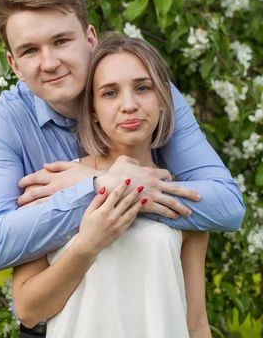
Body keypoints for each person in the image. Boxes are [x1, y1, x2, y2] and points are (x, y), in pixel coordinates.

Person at [0, 0, 245, 336]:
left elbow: (227, 205)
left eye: (61, 40)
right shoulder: (7, 123)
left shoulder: (148, 94)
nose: (50, 62)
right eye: (30, 50)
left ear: (89, 38)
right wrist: (102, 185)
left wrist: (116, 187)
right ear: (14, 65)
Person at [12, 34, 212, 338]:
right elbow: (28, 311)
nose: (129, 105)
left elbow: (195, 322)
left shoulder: (180, 198)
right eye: (110, 93)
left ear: (162, 98)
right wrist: (88, 244)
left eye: (142, 88)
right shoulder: (55, 185)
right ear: (92, 108)